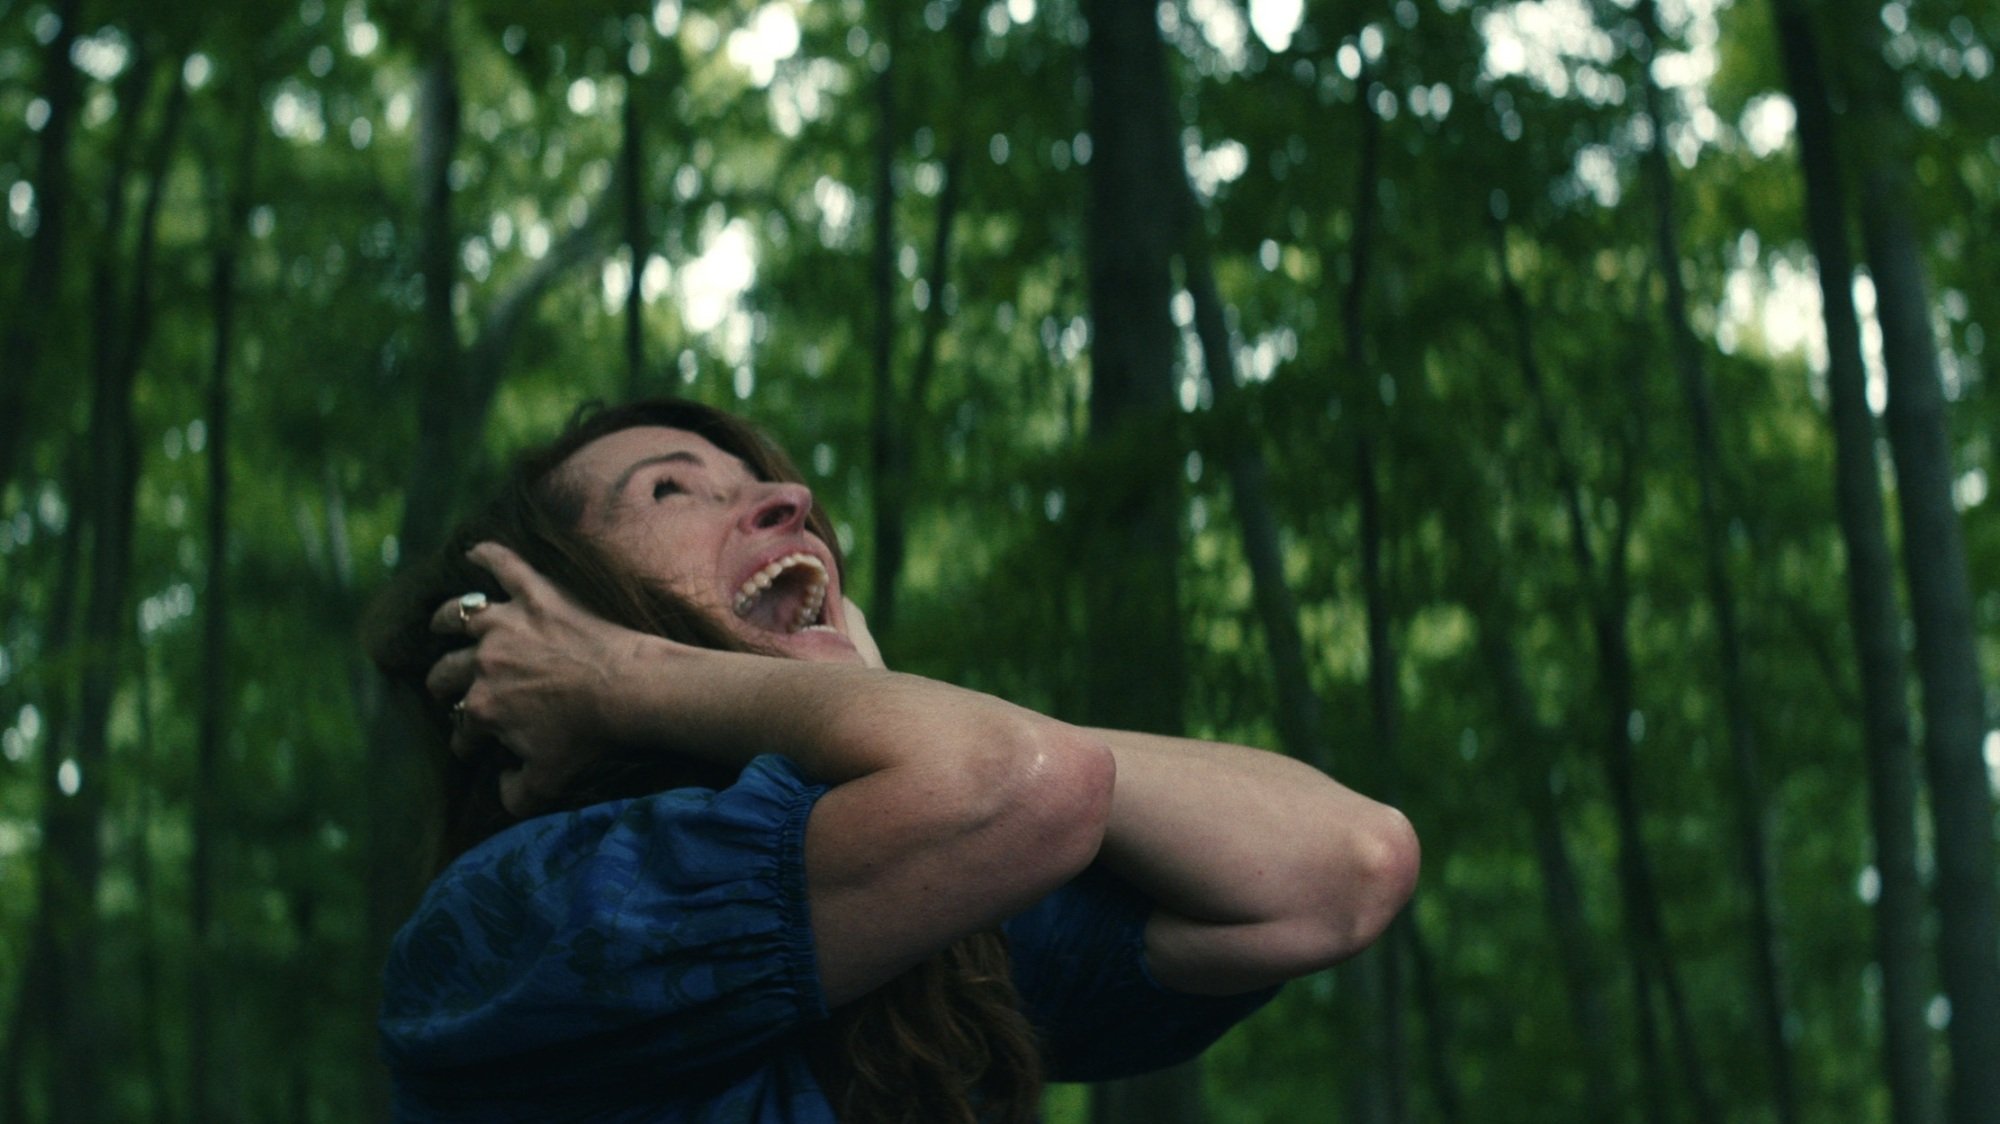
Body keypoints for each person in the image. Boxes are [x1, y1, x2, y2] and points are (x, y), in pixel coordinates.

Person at [366, 397, 1419, 1123]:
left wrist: (871, 696)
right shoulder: (498, 930)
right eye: (670, 492)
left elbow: (1348, 863)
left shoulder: (948, 900)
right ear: (554, 613)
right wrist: (620, 676)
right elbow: (1025, 786)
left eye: (765, 484)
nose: (786, 504)